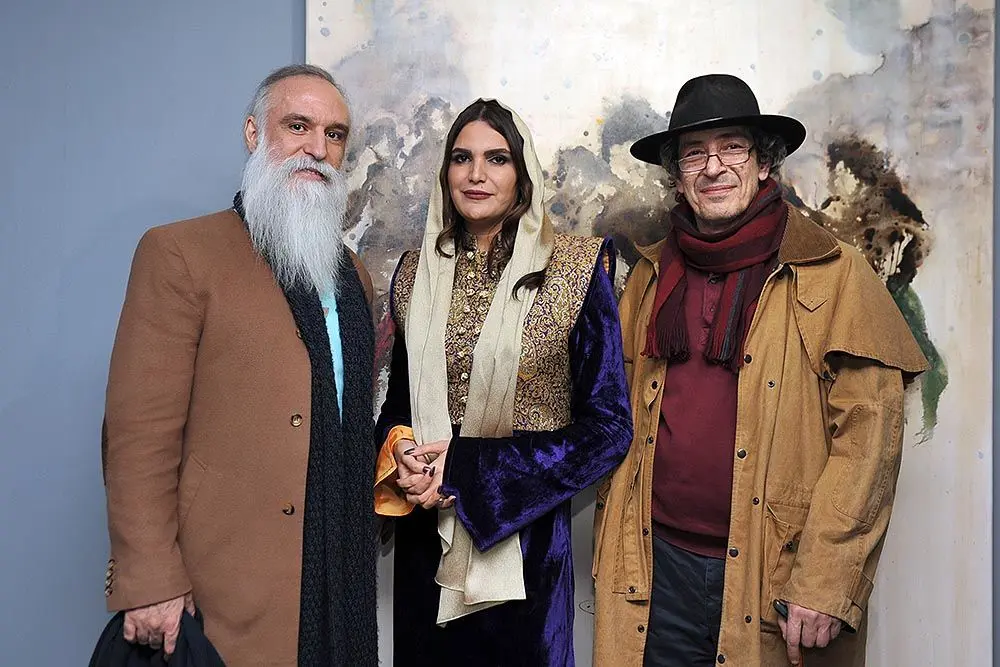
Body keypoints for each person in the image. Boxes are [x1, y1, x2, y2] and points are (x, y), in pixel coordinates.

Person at [592, 74, 929, 667]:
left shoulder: (834, 273)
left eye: (732, 148)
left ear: (764, 162)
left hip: (773, 573)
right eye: (694, 153)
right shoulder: (650, 274)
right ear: (676, 175)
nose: (713, 167)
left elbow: (870, 439)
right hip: (654, 568)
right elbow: (610, 408)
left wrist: (826, 581)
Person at [101, 64, 379, 667]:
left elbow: (344, 422)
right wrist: (149, 579)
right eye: (298, 126)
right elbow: (138, 437)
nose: (317, 148)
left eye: (334, 134)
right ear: (254, 132)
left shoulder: (351, 274)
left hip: (342, 584)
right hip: (224, 588)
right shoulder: (180, 252)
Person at [372, 98, 633, 666]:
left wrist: (467, 469)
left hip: (524, 549)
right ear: (446, 173)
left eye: (497, 159)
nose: (476, 174)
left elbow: (608, 430)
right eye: (461, 158)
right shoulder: (415, 274)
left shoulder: (576, 268)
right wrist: (403, 452)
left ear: (523, 174)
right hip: (427, 539)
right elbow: (398, 404)